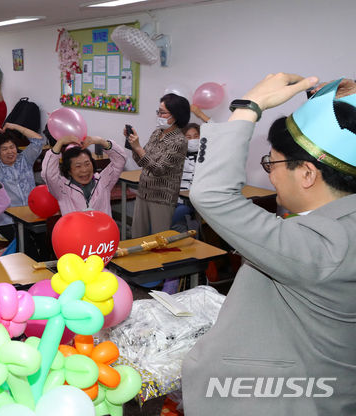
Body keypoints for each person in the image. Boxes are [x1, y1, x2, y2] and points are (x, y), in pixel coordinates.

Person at [182, 74, 356, 415]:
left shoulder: (326, 247)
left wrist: (248, 107)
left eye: (272, 163)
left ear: (307, 173)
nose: (270, 174)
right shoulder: (336, 224)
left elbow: (211, 195)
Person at [127, 93, 190, 237]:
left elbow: (158, 169)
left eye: (162, 112)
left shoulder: (179, 141)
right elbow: (142, 161)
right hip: (144, 192)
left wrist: (138, 148)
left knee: (158, 241)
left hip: (162, 197)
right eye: (158, 111)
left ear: (175, 115)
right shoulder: (157, 133)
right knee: (137, 236)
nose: (159, 115)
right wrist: (133, 145)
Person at [0, 122, 46, 237]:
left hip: (32, 216)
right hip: (7, 221)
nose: (10, 152)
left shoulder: (25, 160)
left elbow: (39, 140)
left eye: (12, 147)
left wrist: (15, 127)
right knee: (26, 243)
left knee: (45, 240)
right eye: (4, 149)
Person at [42, 135, 127, 216]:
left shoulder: (103, 182)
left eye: (87, 164)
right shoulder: (62, 189)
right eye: (78, 166)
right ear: (69, 171)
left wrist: (101, 141)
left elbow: (120, 159)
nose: (84, 170)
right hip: (74, 231)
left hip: (103, 230)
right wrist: (60, 143)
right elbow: (48, 174)